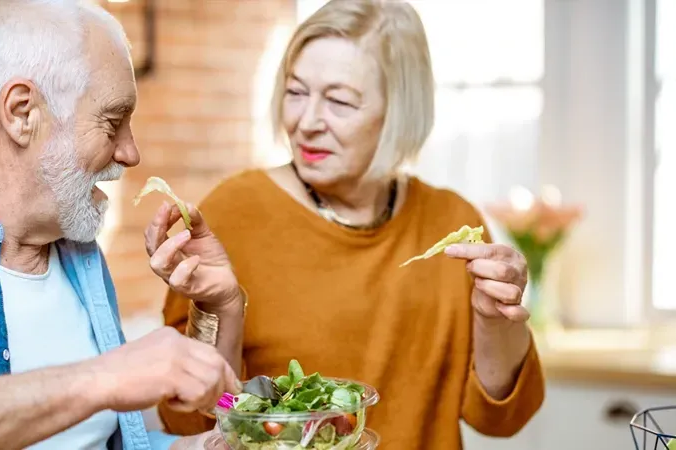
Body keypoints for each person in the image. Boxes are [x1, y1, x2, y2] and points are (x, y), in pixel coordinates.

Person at [152, 0, 545, 448]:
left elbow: (502, 420)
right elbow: (190, 426)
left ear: (399, 110)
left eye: (339, 101)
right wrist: (222, 313)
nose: (307, 122)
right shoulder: (232, 213)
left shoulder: (452, 223)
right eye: (296, 92)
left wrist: (496, 322)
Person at [0, 1, 247, 449]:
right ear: (22, 113)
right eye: (113, 122)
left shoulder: (76, 253)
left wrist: (197, 443)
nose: (131, 154)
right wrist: (108, 376)